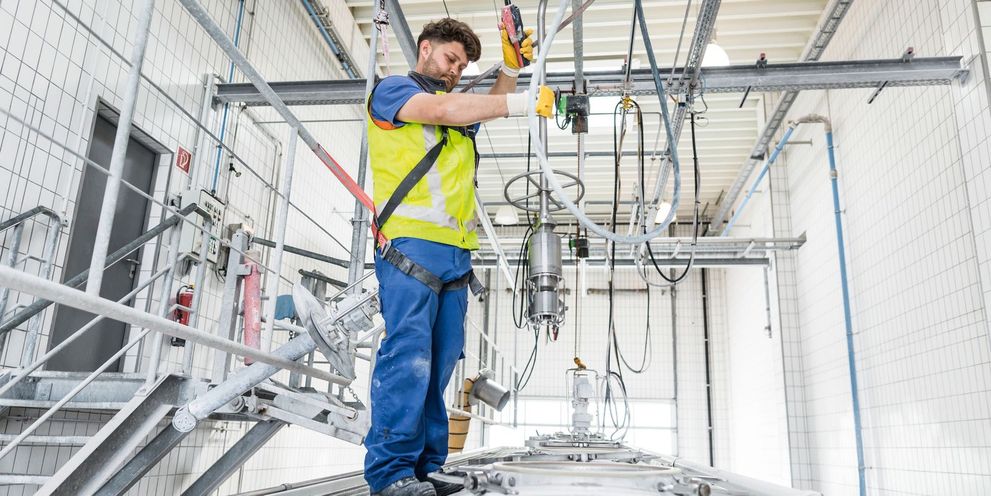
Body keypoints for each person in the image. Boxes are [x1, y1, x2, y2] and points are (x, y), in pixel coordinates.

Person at [363, 16, 553, 496]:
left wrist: (510, 69)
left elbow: (473, 109)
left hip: (455, 255)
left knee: (441, 363)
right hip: (409, 245)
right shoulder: (393, 92)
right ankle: (390, 474)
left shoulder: (451, 101)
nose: (455, 70)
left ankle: (427, 466)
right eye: (451, 59)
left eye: (463, 65)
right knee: (409, 359)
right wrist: (517, 101)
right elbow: (448, 110)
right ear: (425, 48)